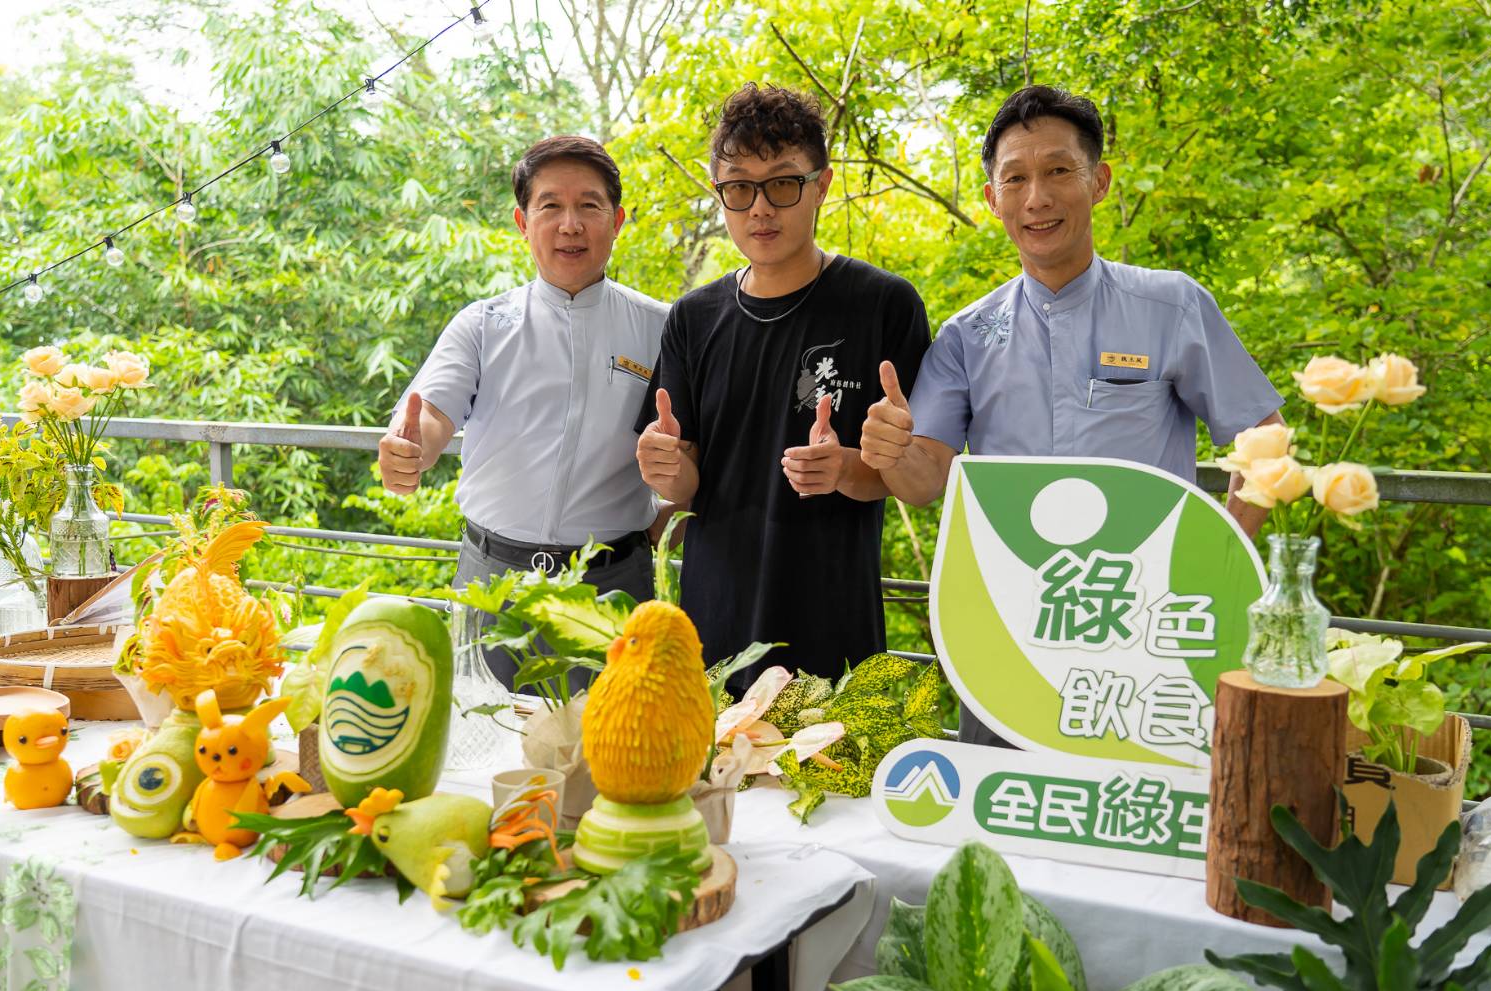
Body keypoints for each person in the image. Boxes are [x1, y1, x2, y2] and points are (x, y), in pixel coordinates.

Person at [858, 85, 1284, 744]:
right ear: (991, 197)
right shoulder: (966, 335)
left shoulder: (1170, 305)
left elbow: (1264, 437)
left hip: (1147, 627)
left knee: (1134, 817)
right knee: (1007, 813)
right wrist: (891, 451)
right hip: (1008, 628)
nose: (1037, 197)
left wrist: (1223, 561)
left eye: (1058, 170)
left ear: (1099, 181)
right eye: (1015, 178)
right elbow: (924, 483)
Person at [635, 84, 931, 691]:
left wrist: (848, 467)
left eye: (783, 184)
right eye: (739, 187)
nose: (760, 209)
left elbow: (913, 475)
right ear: (719, 191)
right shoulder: (692, 319)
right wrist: (666, 469)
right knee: (710, 786)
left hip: (833, 631)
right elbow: (689, 483)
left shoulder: (883, 305)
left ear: (821, 186)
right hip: (713, 636)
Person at [378, 135, 667, 691]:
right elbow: (433, 413)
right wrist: (410, 450)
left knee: (615, 758)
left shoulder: (662, 328)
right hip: (493, 580)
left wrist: (672, 507)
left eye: (589, 205)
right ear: (522, 221)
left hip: (612, 587)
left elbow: (693, 445)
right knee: (480, 751)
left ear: (618, 220)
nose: (570, 224)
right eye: (550, 206)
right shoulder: (484, 323)